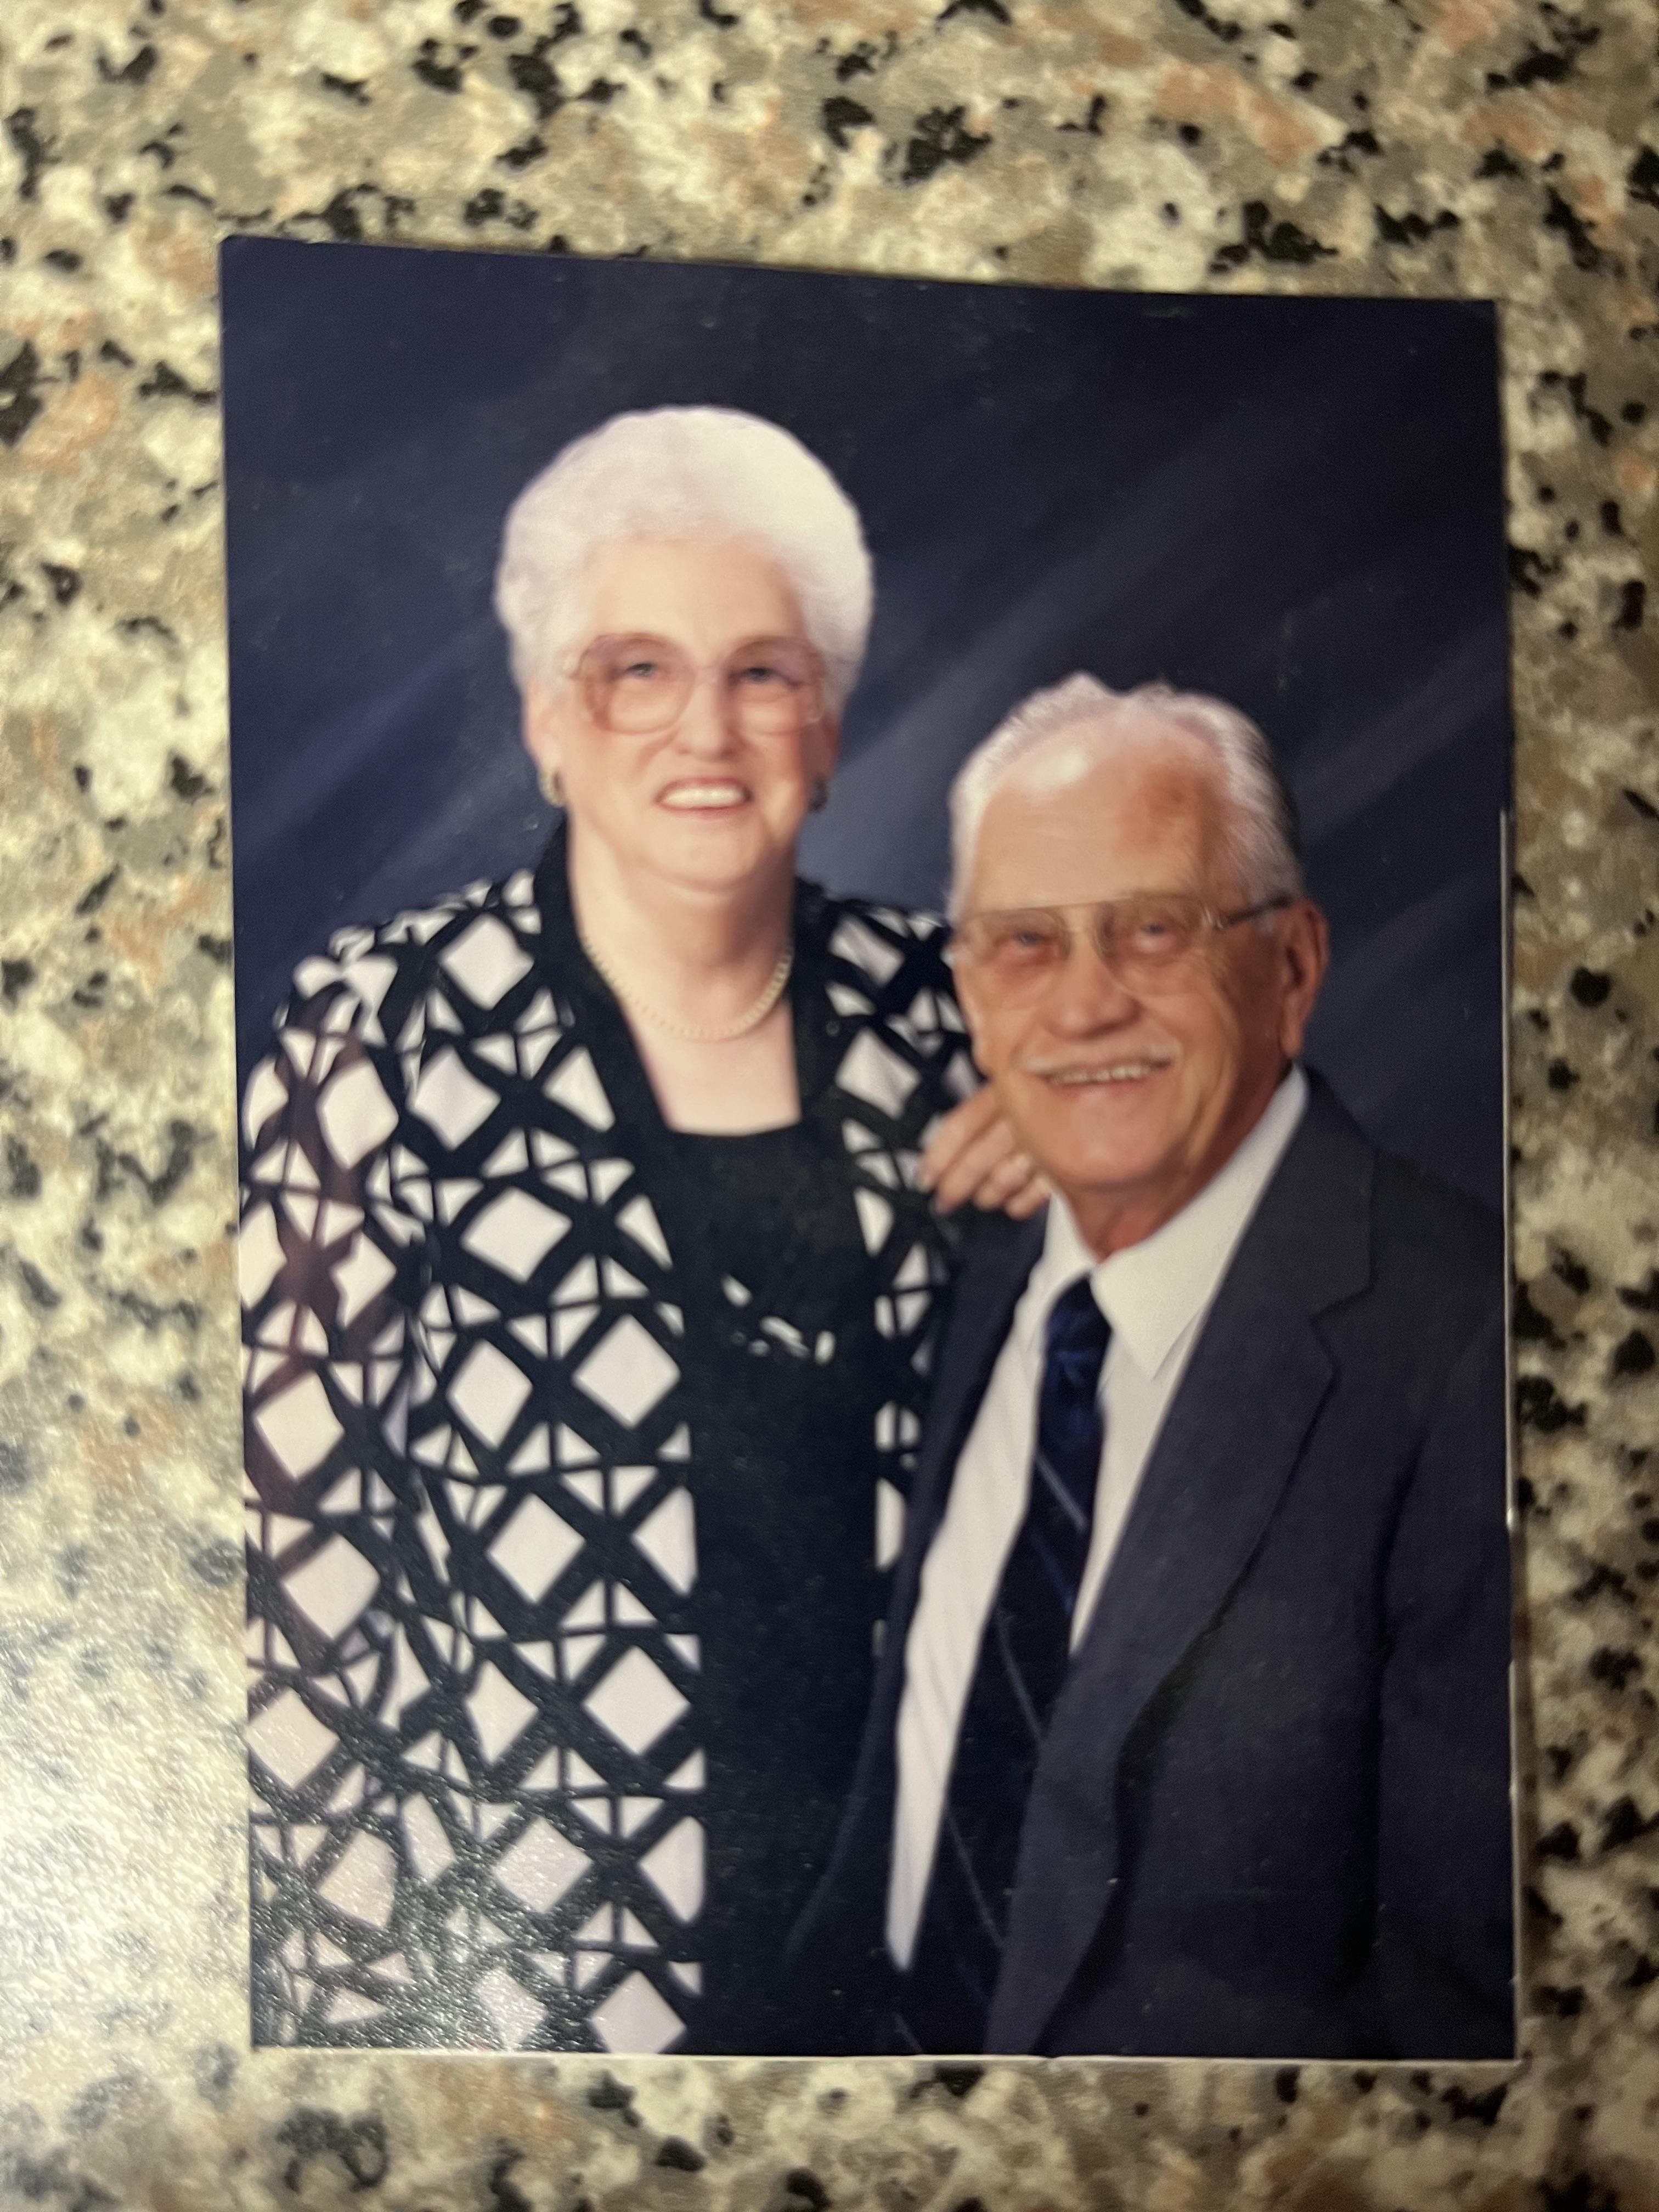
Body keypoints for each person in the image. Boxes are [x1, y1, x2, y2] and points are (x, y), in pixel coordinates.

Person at [239, 405, 1034, 2055]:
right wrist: (364, 2037)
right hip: (536, 1997)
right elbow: (284, 1592)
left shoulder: (959, 1013)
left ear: (828, 723)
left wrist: (1101, 1148)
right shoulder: (383, 1035)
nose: (707, 729)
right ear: (549, 721)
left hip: (916, 1972)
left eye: (763, 672)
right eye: (638, 671)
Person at [795, 674, 1514, 2061]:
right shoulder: (981, 1258)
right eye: (1025, 944)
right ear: (970, 989)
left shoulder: (1473, 1351)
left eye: (1155, 930)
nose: (1084, 1003)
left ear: (1292, 969)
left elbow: (1470, 2029)